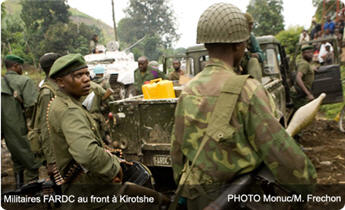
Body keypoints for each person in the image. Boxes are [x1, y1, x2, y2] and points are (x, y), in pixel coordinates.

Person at [171, 3, 316, 209]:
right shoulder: (248, 89)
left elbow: (177, 152)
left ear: (206, 45)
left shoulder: (188, 91)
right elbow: (277, 151)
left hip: (199, 198)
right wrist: (306, 183)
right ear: (240, 45)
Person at [47, 54, 126, 209]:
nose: (86, 79)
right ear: (60, 82)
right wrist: (114, 168)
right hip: (89, 191)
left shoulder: (64, 103)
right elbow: (87, 154)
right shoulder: (69, 110)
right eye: (78, 75)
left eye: (86, 74)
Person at [1, 55, 41, 188]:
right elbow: (32, 105)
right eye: (20, 67)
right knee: (30, 156)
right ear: (16, 66)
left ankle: (19, 186)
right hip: (21, 124)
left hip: (6, 126)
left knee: (16, 157)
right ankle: (31, 190)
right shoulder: (24, 81)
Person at [29, 53, 60, 177]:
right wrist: (51, 160)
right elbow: (46, 127)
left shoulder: (55, 87)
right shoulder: (47, 92)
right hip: (55, 150)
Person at [242, 13, 264, 82]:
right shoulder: (234, 36)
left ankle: (256, 88)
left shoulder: (251, 37)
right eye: (249, 24)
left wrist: (257, 55)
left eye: (252, 24)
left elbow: (262, 55)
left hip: (248, 68)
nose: (251, 26)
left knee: (253, 61)